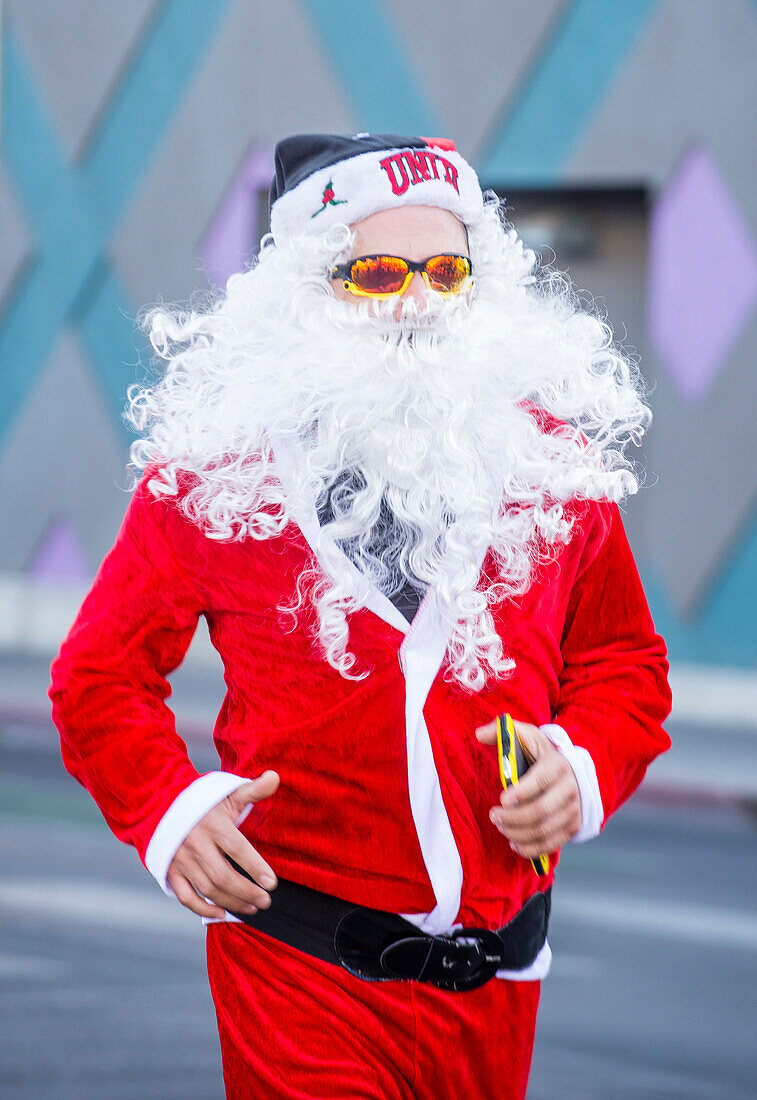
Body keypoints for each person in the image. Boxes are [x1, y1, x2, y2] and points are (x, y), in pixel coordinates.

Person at [49, 133, 672, 1099]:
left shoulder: (553, 472)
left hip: (499, 982)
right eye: (377, 272)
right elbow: (100, 678)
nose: (418, 300)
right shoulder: (217, 480)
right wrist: (168, 808)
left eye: (446, 270)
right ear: (308, 291)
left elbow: (622, 660)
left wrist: (584, 766)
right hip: (302, 974)